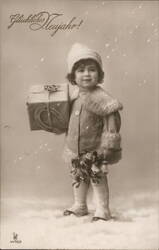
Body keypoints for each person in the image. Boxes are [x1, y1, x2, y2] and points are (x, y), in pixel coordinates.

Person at [63, 43, 123, 221]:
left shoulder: (102, 99)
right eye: (81, 70)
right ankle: (80, 205)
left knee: (97, 178)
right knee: (78, 177)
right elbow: (67, 119)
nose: (87, 74)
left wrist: (107, 148)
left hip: (95, 149)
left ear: (100, 74)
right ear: (73, 75)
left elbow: (111, 124)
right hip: (77, 148)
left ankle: (103, 209)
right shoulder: (74, 96)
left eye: (92, 70)